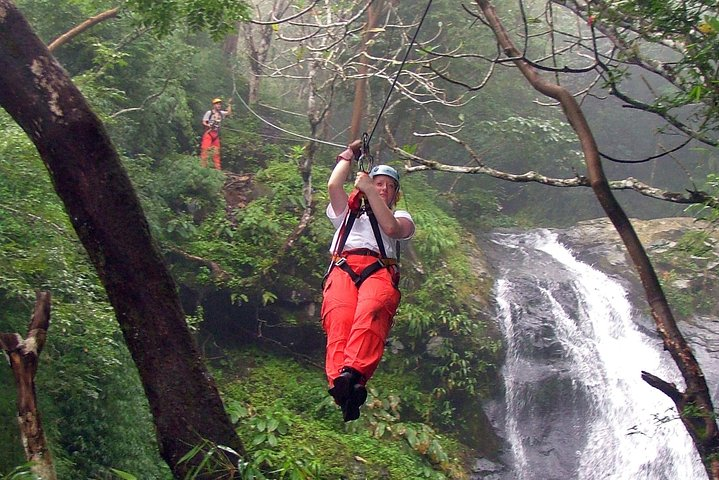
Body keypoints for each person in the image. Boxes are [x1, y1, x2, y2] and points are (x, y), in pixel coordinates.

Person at [321, 140, 416, 422]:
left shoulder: (401, 216)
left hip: (378, 270)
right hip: (343, 267)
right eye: (379, 183)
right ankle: (342, 387)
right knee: (339, 320)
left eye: (389, 186)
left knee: (370, 312)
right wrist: (350, 154)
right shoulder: (348, 213)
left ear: (395, 194)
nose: (383, 188)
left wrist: (369, 190)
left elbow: (391, 228)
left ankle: (355, 373)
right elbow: (333, 186)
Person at [200, 97, 231, 170]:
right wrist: (208, 125)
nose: (219, 105)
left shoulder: (221, 113)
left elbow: (229, 113)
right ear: (214, 105)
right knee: (205, 150)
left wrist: (229, 104)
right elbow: (204, 121)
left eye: (219, 104)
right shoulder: (209, 113)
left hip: (216, 135)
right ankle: (203, 168)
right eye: (217, 104)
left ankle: (218, 169)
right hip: (209, 133)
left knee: (216, 153)